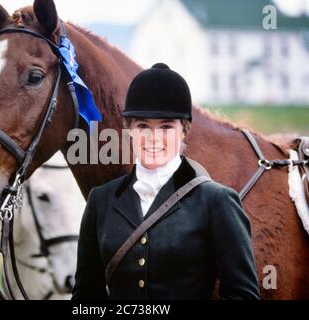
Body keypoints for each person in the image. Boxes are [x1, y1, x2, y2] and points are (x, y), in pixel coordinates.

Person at [71, 63, 260, 300]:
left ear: (184, 131)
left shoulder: (217, 201)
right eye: (143, 126)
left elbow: (243, 296)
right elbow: (85, 296)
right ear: (128, 129)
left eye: (166, 127)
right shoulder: (100, 201)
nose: (154, 138)